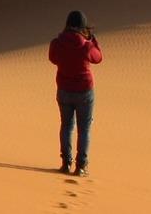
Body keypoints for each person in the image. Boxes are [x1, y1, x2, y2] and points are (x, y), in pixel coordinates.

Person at [48, 10, 102, 176]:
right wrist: (92, 39)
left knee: (66, 126)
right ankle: (81, 166)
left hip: (64, 90)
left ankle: (66, 163)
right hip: (84, 91)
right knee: (84, 129)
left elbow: (53, 58)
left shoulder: (57, 43)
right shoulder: (86, 45)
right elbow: (98, 57)